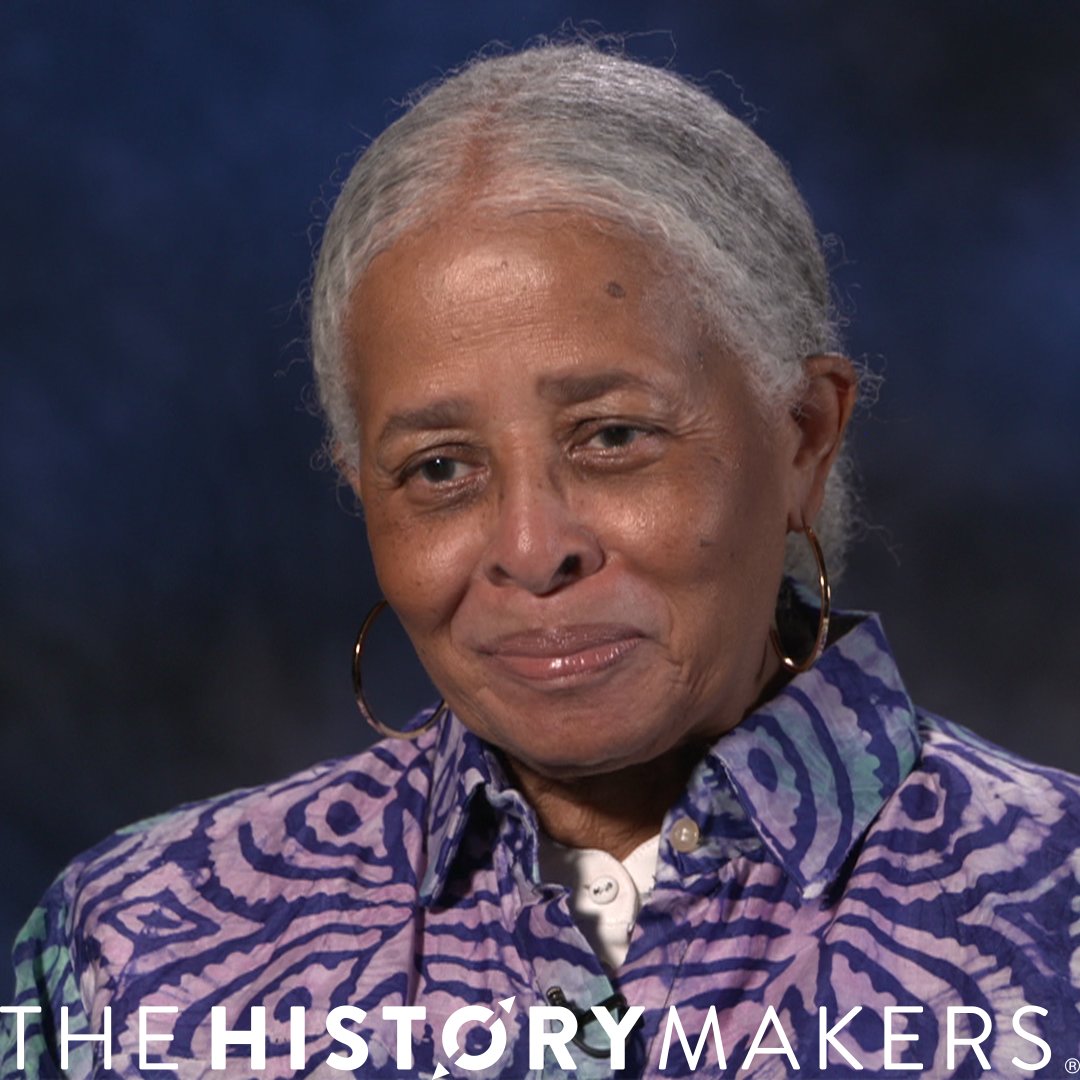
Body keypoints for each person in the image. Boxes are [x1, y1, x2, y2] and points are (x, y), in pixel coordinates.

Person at [3, 42, 1079, 1080]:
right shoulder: (131, 950)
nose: (531, 550)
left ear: (804, 435)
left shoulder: (1052, 921)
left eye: (613, 436)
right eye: (439, 468)